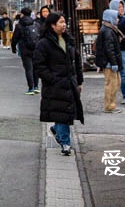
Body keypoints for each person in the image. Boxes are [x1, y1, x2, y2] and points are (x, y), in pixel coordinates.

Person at [33, 11, 84, 156]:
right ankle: (65, 143)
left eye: (64, 22)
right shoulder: (44, 44)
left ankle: (58, 131)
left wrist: (79, 80)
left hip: (70, 82)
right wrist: (52, 79)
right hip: (55, 85)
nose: (64, 25)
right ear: (52, 25)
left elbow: (77, 62)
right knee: (61, 113)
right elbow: (39, 66)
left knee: (67, 112)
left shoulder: (69, 40)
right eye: (61, 22)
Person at [97, 8, 124, 113]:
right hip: (109, 62)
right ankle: (109, 106)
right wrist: (113, 63)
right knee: (112, 84)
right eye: (116, 17)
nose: (117, 20)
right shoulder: (108, 31)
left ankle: (111, 105)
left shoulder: (108, 29)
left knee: (115, 83)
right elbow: (109, 49)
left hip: (109, 61)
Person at [12, 7, 40, 94]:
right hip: (36, 48)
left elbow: (15, 38)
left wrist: (13, 48)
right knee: (35, 68)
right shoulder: (35, 24)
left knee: (28, 68)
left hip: (24, 49)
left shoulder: (19, 25)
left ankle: (30, 88)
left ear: (22, 14)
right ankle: (36, 86)